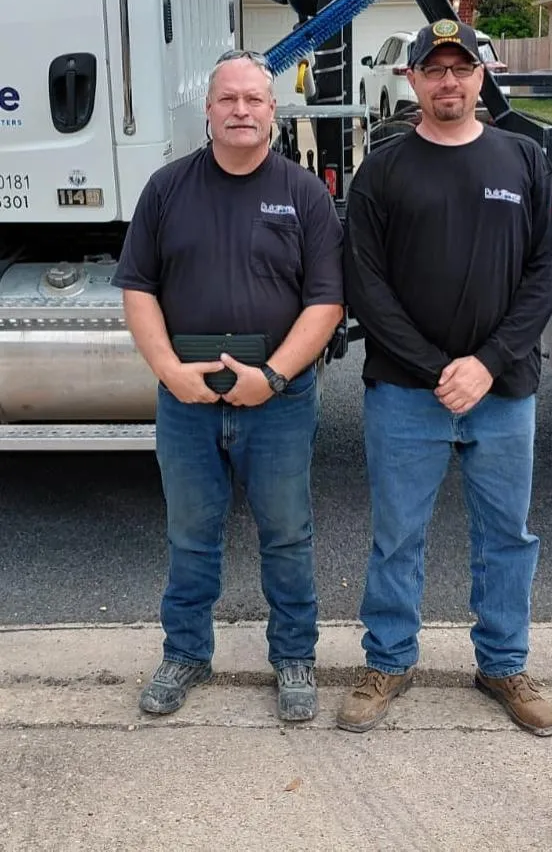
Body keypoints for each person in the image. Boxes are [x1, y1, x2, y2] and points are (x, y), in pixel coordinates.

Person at [337, 18, 552, 737]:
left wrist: (487, 363)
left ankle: (502, 665)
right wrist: (440, 369)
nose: (448, 82)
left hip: (503, 391)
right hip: (406, 393)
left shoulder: (522, 159)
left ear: (480, 76)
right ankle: (387, 662)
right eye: (433, 70)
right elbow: (365, 286)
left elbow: (544, 273)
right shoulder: (383, 170)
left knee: (507, 538)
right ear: (411, 80)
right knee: (396, 537)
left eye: (460, 69)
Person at [113, 50, 343, 721]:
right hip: (186, 400)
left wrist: (271, 376)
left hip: (278, 402)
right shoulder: (166, 189)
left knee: (287, 533)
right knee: (191, 533)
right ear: (208, 109)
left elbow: (326, 301)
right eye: (228, 99)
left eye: (254, 99)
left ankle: (294, 657)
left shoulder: (304, 194)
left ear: (273, 111)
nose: (241, 110)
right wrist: (169, 372)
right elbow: (138, 288)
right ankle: (185, 653)